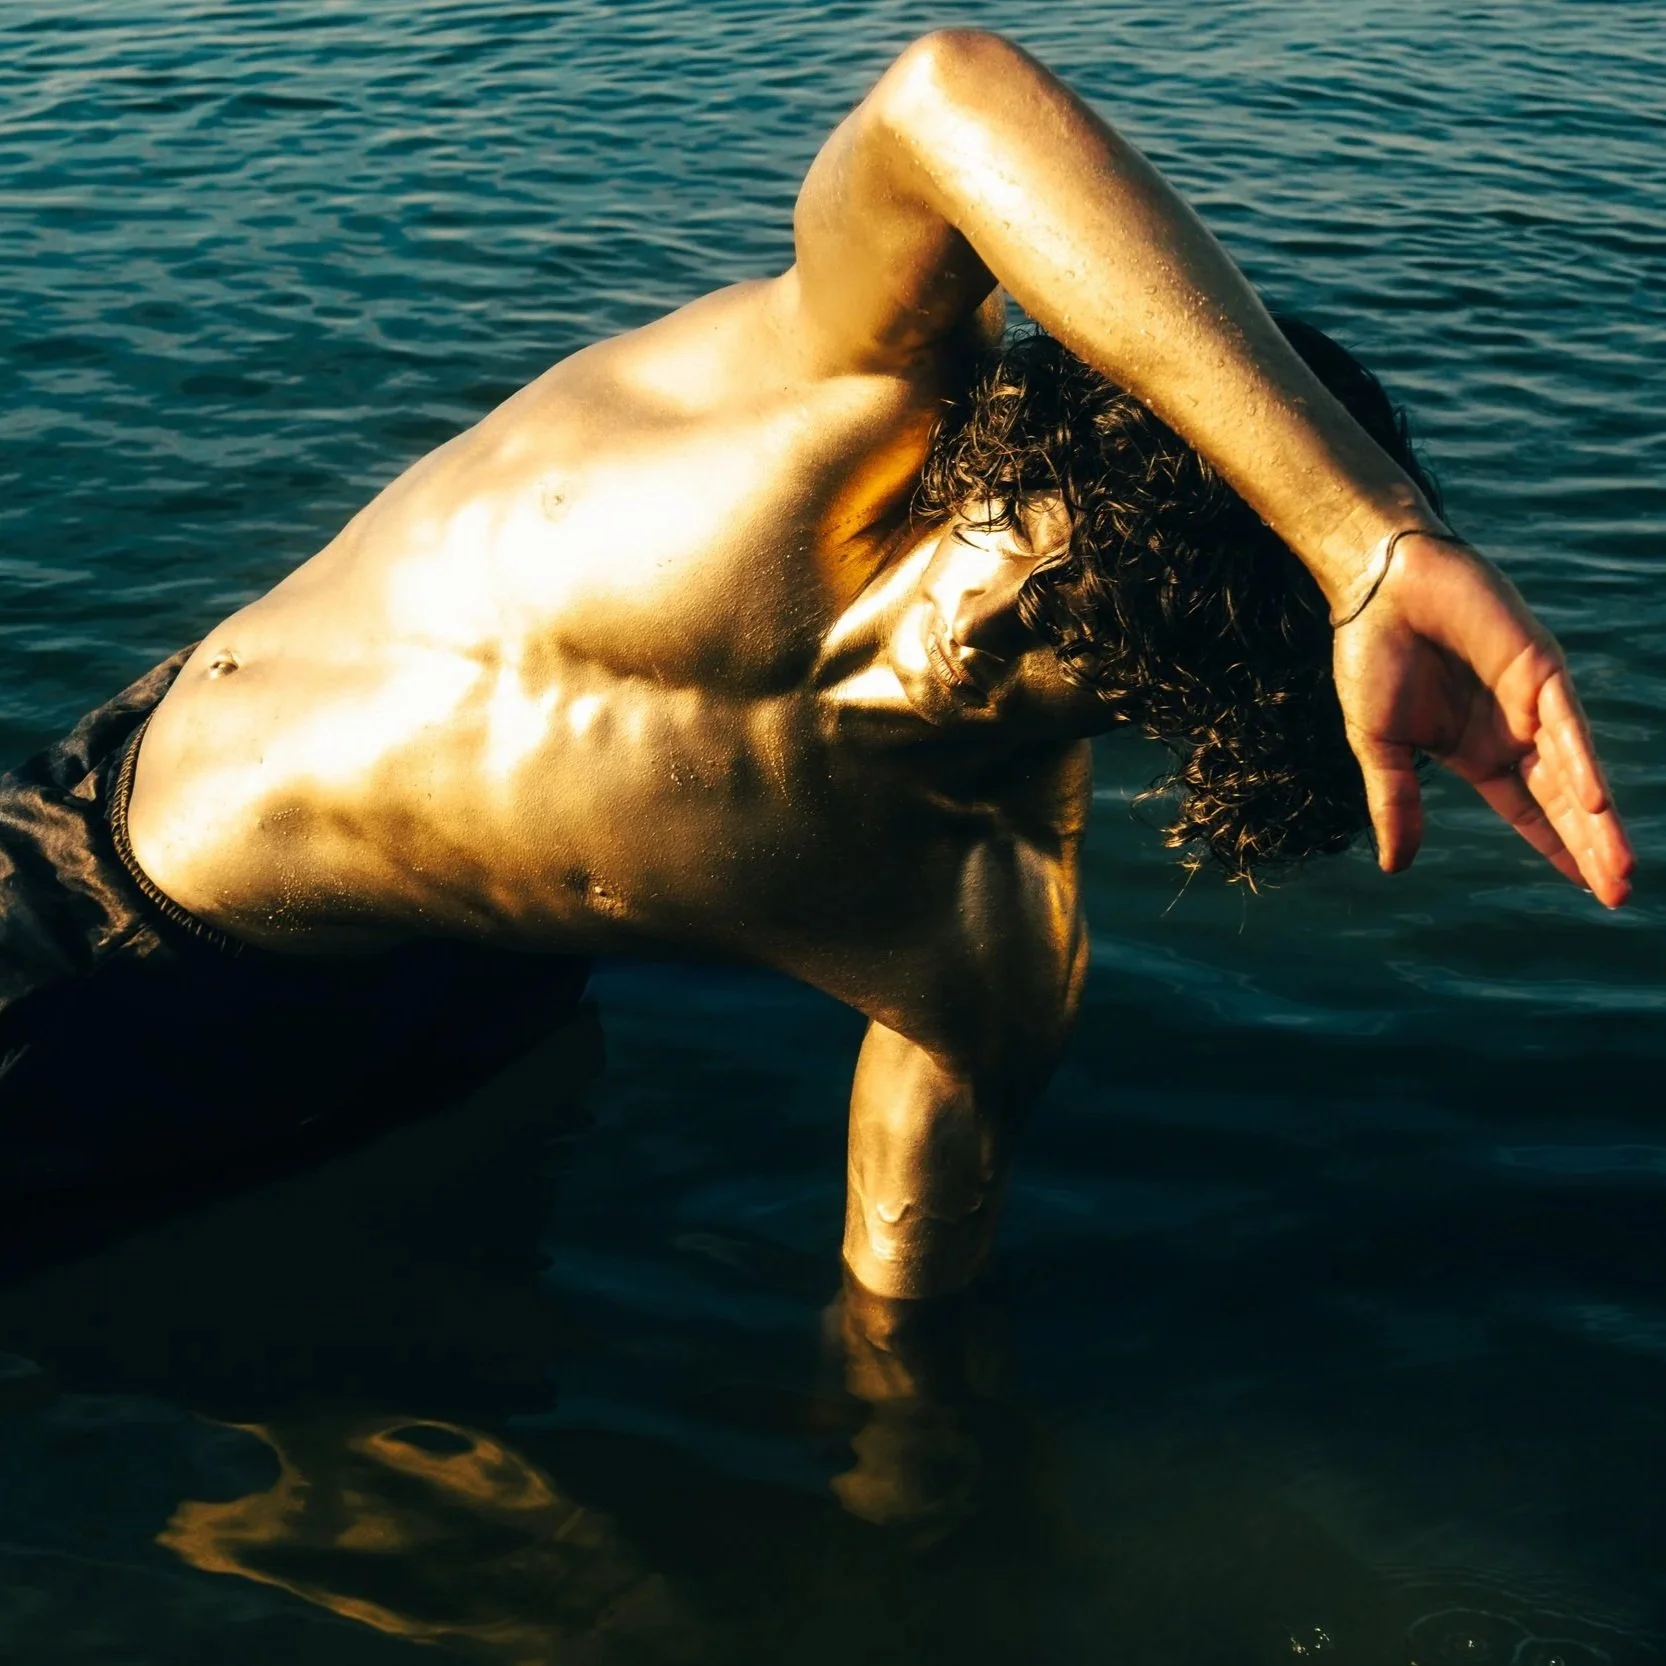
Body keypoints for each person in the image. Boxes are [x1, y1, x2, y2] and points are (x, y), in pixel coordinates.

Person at [0, 33, 1633, 1289]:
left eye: (1069, 668)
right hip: (105, 889)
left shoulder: (968, 918)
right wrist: (1362, 539)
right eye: (1020, 565)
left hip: (438, 1025)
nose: (974, 642)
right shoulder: (838, 378)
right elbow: (946, 91)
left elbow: (893, 1304)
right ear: (1015, 453)